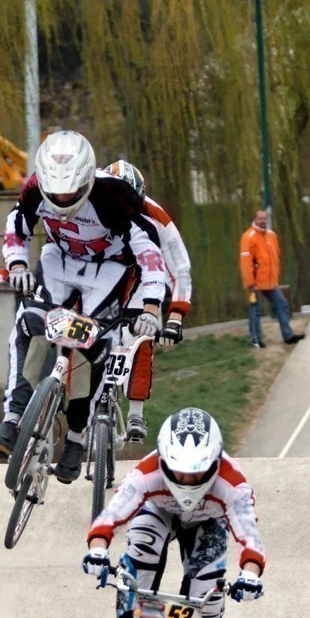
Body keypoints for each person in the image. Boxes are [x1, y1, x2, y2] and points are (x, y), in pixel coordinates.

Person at [0, 130, 168, 482]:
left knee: (95, 345)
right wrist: (17, 265)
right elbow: (17, 225)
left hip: (108, 267)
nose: (62, 198)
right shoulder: (34, 188)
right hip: (59, 259)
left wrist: (150, 307)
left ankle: (76, 436)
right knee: (27, 323)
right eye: (55, 190)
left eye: (70, 190)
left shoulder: (114, 196)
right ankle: (12, 417)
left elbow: (150, 254)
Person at [82, 407, 266, 618]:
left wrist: (250, 575)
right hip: (158, 511)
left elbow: (249, 534)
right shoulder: (147, 472)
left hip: (208, 522)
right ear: (163, 460)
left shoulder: (232, 483)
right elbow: (112, 515)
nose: (187, 479)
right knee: (143, 549)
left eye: (197, 472)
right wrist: (98, 550)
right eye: (178, 470)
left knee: (208, 594)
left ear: (216, 463)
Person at [104, 159, 194, 439]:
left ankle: (135, 412)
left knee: (141, 333)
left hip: (143, 277)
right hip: (101, 272)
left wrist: (175, 318)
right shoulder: (89, 205)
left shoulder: (157, 218)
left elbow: (180, 268)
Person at [239, 210, 303, 348]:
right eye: (260, 218)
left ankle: (288, 335)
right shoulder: (248, 237)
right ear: (255, 219)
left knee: (282, 304)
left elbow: (275, 257)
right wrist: (250, 283)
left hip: (270, 282)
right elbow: (246, 262)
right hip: (256, 283)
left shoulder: (272, 235)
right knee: (256, 310)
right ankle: (256, 339)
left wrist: (275, 277)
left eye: (264, 218)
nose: (263, 221)